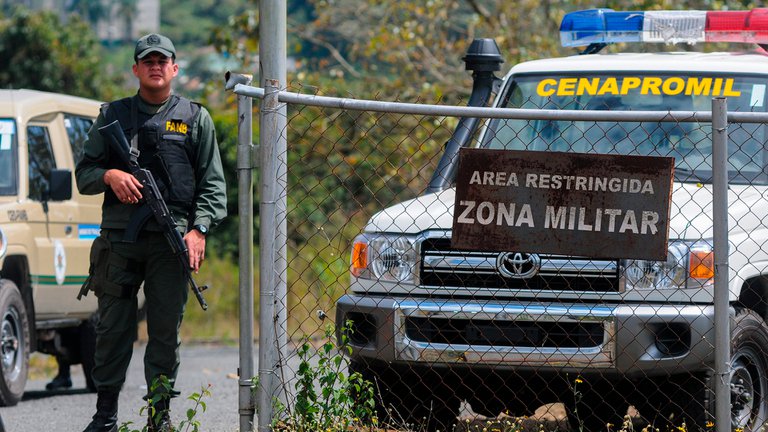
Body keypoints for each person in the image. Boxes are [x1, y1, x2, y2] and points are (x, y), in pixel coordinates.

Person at [75, 33, 227, 432]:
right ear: (136, 69)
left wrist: (199, 230)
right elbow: (83, 175)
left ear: (175, 68)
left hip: (170, 242)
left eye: (163, 60)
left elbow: (212, 185)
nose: (156, 66)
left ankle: (159, 418)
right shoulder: (112, 116)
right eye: (148, 60)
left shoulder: (196, 118)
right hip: (119, 243)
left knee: (164, 333)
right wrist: (110, 174)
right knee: (112, 330)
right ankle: (105, 416)